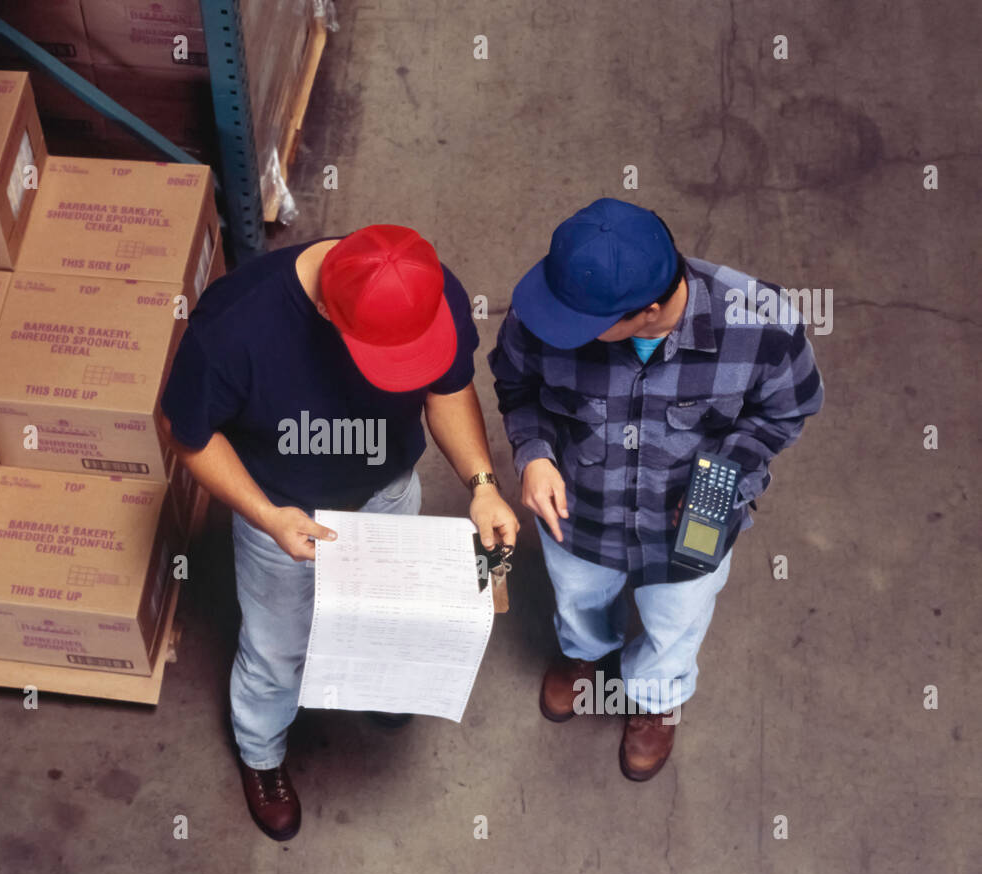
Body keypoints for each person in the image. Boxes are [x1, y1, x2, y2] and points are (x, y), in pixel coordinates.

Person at [159, 224, 519, 839]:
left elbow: (448, 388)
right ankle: (262, 753)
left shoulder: (427, 290)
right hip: (282, 511)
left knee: (386, 614)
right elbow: (187, 434)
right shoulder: (235, 328)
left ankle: (378, 686)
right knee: (278, 651)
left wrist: (482, 483)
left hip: (388, 490)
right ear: (326, 307)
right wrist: (266, 515)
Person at [489, 198, 823, 781]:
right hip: (579, 513)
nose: (557, 328)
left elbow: (785, 414)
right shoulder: (552, 310)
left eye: (585, 326)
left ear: (646, 311)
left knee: (676, 622)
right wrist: (534, 454)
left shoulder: (762, 323)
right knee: (578, 598)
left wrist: (721, 479)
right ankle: (583, 656)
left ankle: (654, 701)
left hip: (690, 526)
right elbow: (517, 387)